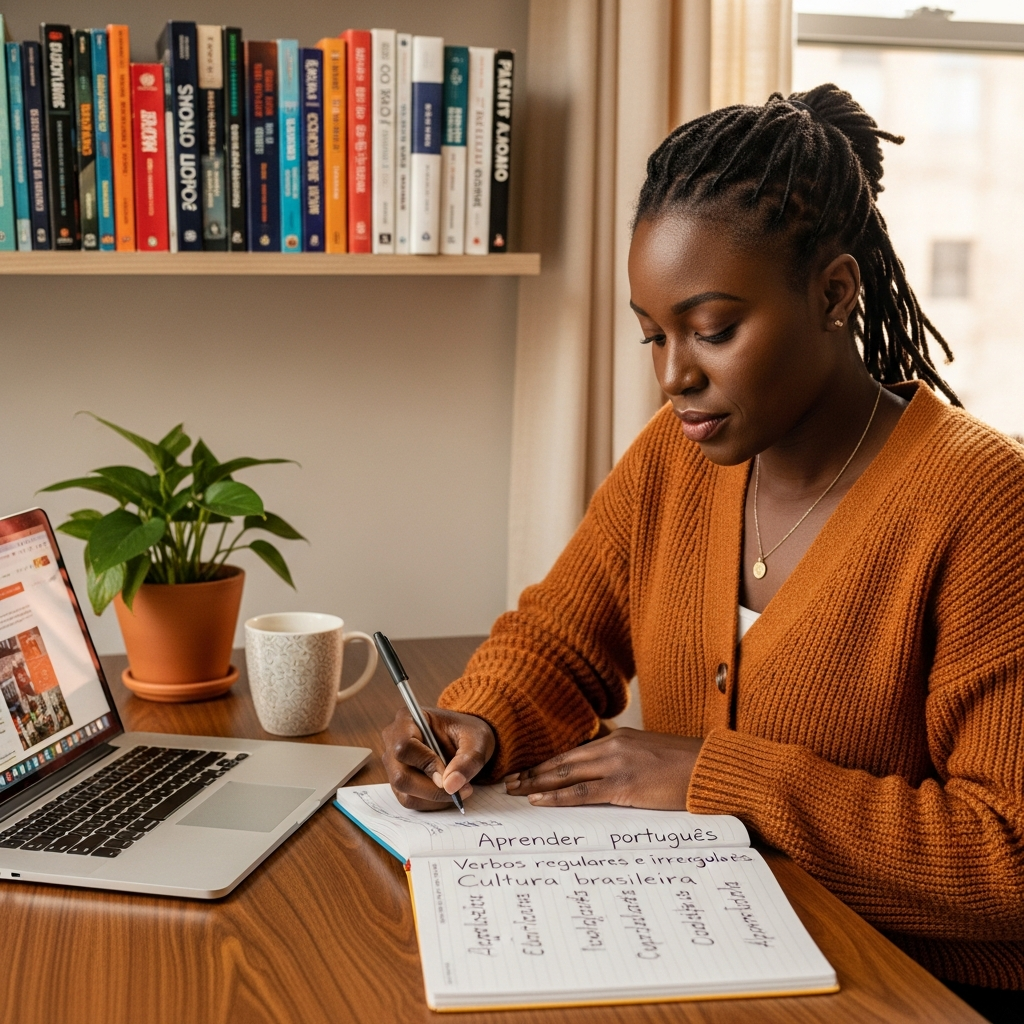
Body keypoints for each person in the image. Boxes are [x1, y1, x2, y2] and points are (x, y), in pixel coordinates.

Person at [382, 84, 1024, 1021]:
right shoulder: (676, 457)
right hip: (709, 954)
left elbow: (1007, 854)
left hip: (916, 991)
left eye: (713, 331)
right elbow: (562, 639)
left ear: (834, 292)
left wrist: (717, 780)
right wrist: (477, 724)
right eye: (654, 334)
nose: (675, 373)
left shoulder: (983, 503)